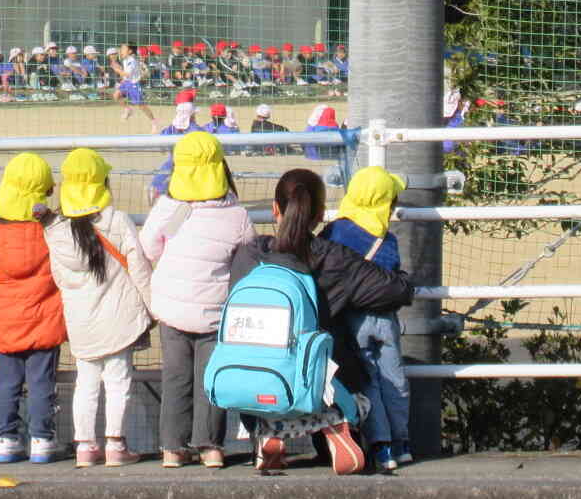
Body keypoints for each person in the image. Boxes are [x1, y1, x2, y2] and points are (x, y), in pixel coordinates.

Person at [226, 167, 397, 475]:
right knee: (351, 373)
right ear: (319, 215)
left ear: (275, 209)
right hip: (320, 386)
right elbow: (394, 290)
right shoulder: (334, 257)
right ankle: (337, 423)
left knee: (263, 373)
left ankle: (268, 430)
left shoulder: (250, 255)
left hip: (258, 384)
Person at [139, 131, 256, 468]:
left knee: (176, 377)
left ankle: (172, 447)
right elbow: (246, 256)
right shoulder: (236, 214)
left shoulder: (169, 208)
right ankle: (211, 446)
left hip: (173, 308)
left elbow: (148, 248)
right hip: (215, 311)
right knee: (211, 378)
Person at [42, 149, 152, 469]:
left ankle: (85, 446)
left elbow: (61, 278)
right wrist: (152, 306)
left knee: (86, 383)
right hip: (118, 317)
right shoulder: (116, 220)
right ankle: (116, 444)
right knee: (118, 380)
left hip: (81, 320)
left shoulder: (56, 231)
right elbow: (139, 268)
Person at [0, 154, 66, 464]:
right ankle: (42, 437)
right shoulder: (51, 230)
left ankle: (5, 438)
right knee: (42, 382)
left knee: (6, 381)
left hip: (5, 320)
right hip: (46, 318)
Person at [323, 167, 413, 471]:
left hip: (351, 319)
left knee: (368, 381)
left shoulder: (334, 233)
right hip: (385, 319)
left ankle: (381, 446)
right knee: (395, 380)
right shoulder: (387, 240)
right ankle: (402, 442)